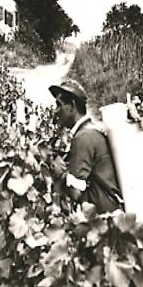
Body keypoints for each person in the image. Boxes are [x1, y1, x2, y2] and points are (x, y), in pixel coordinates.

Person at [48, 79, 123, 213]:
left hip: (103, 218)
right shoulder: (92, 130)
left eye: (59, 105)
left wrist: (61, 173)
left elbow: (76, 193)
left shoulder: (83, 137)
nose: (56, 111)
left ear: (72, 105)